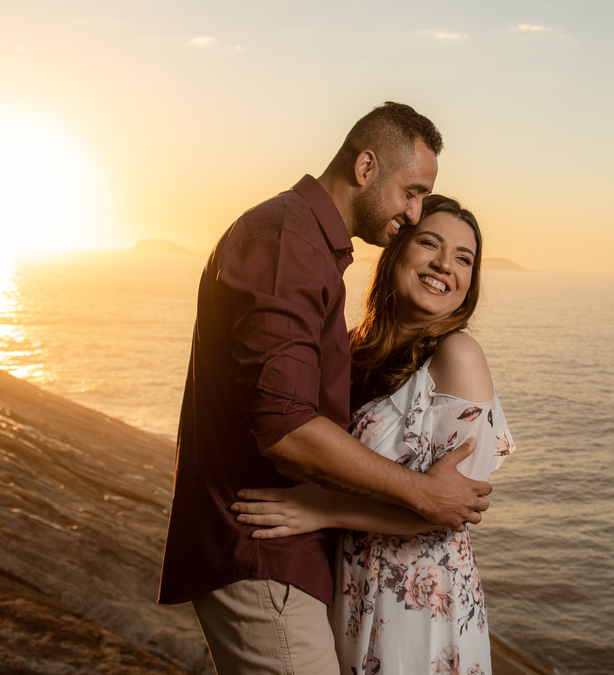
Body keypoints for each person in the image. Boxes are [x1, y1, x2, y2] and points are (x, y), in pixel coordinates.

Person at [158, 103, 493, 675]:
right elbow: (287, 424)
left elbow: (456, 503)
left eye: (464, 258)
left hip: (394, 599)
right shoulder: (293, 247)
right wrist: (411, 492)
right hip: (267, 551)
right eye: (411, 194)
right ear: (366, 166)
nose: (413, 215)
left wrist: (326, 510)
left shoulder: (316, 261)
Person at [230, 195, 514, 675]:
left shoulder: (457, 356)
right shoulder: (350, 347)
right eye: (430, 243)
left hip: (421, 608)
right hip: (350, 586)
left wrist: (321, 507)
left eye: (464, 259)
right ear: (397, 250)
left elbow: (452, 512)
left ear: (470, 282)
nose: (445, 265)